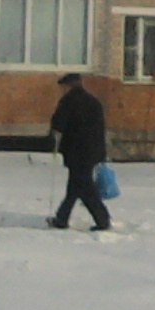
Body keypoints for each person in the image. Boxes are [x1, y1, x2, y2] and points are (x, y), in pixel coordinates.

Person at [46, 72, 112, 231]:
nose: (61, 90)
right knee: (75, 187)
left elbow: (58, 124)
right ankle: (61, 219)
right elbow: (100, 129)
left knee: (85, 188)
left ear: (68, 86)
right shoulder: (94, 102)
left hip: (77, 152)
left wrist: (52, 139)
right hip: (93, 151)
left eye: (62, 87)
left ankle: (103, 220)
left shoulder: (68, 102)